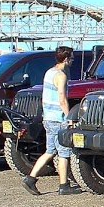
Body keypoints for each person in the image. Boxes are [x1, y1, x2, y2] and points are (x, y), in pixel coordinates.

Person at [21, 46, 82, 196]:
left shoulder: (49, 72)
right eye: (72, 58)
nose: (73, 61)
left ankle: (30, 178)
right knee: (63, 152)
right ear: (66, 59)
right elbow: (62, 98)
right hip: (57, 118)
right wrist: (69, 118)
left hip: (48, 117)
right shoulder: (61, 75)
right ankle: (63, 185)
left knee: (50, 151)